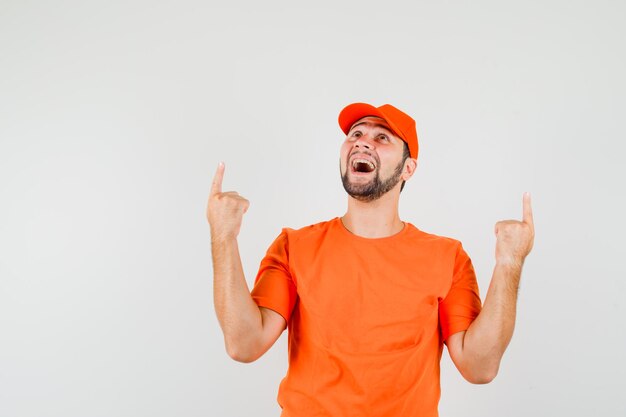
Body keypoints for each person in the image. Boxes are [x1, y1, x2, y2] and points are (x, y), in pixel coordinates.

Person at [207, 102, 535, 416]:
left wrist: (509, 262)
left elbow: (479, 367)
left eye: (382, 138)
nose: (363, 143)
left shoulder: (447, 257)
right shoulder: (294, 246)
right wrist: (223, 236)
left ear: (409, 168)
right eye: (356, 134)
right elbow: (244, 343)